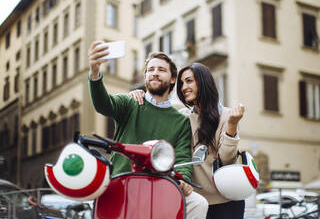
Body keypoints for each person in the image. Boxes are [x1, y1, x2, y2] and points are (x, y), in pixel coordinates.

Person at [88, 41, 208, 219]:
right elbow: (103, 104)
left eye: (161, 70)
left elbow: (182, 156)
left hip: (160, 187)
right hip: (122, 182)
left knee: (199, 203)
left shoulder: (181, 121)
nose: (154, 73)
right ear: (145, 77)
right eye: (150, 70)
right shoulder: (130, 103)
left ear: (173, 78)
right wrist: (95, 71)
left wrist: (183, 180)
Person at [130, 63, 245, 219]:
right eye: (182, 83)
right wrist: (139, 95)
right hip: (195, 202)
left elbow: (227, 160)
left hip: (227, 201)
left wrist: (232, 125)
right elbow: (158, 108)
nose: (184, 87)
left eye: (189, 81)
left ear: (203, 82)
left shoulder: (227, 115)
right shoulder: (182, 117)